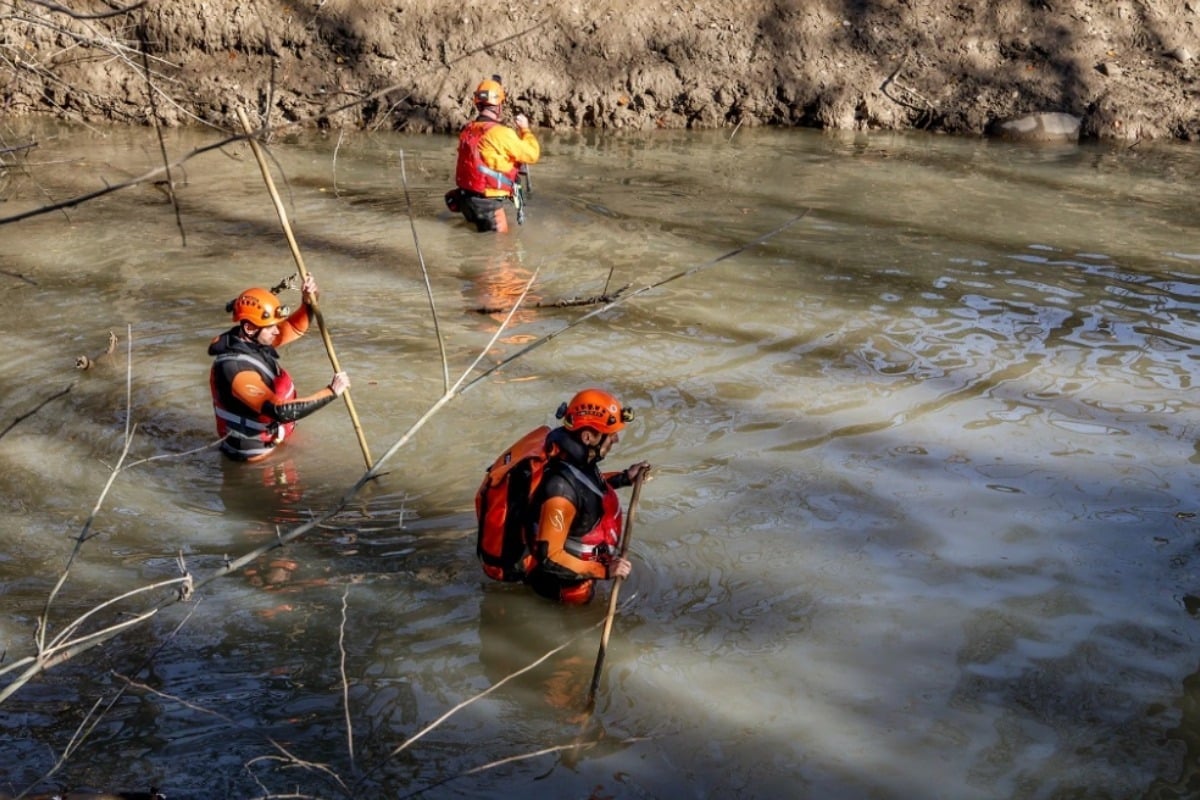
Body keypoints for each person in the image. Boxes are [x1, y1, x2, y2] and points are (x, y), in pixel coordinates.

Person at [525, 389, 650, 605]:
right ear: (588, 436)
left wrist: (624, 478)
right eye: (610, 434)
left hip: (584, 578)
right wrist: (602, 571)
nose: (616, 439)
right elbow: (550, 558)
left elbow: (587, 492)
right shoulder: (559, 490)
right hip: (564, 594)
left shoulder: (580, 463)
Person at [208, 275, 350, 462]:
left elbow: (294, 326)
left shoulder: (252, 340)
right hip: (255, 460)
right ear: (250, 328)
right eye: (271, 327)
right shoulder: (235, 370)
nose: (277, 331)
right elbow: (281, 411)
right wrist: (331, 391)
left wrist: (308, 301)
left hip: (273, 439)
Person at [446, 77, 540, 233]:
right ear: (499, 106)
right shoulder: (501, 133)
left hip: (465, 200)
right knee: (502, 250)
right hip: (487, 204)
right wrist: (525, 130)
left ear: (478, 104)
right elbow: (532, 154)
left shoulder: (468, 129)